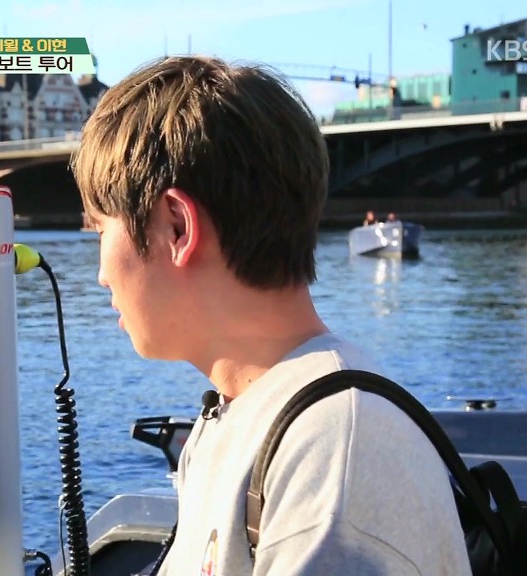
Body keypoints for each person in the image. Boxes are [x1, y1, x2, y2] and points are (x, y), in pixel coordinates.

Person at [70, 56, 471, 575]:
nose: (100, 274)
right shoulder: (242, 415)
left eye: (101, 231)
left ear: (176, 228)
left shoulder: (333, 455)